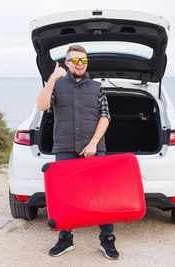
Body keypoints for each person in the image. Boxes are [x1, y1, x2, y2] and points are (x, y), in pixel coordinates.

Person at [37, 45, 119, 260]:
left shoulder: (96, 87)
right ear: (67, 63)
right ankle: (65, 239)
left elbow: (105, 116)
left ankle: (107, 240)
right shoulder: (56, 86)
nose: (80, 64)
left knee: (101, 195)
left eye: (83, 60)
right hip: (64, 148)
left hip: (94, 149)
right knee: (64, 196)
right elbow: (42, 105)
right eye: (75, 61)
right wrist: (52, 80)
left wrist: (93, 143)